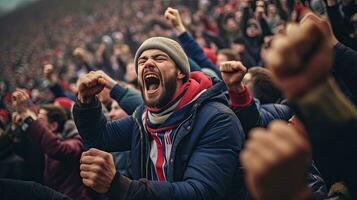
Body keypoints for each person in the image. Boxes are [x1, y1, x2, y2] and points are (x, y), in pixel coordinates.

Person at [73, 37, 246, 200]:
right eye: (141, 61)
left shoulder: (217, 119)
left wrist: (120, 186)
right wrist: (86, 103)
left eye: (159, 58)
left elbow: (201, 192)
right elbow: (100, 137)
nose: (147, 63)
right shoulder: (143, 117)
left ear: (180, 72)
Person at [11, 90, 91, 200]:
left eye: (40, 120)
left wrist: (28, 118)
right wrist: (19, 124)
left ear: (53, 126)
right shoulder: (43, 142)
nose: (37, 123)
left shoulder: (76, 141)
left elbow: (58, 149)